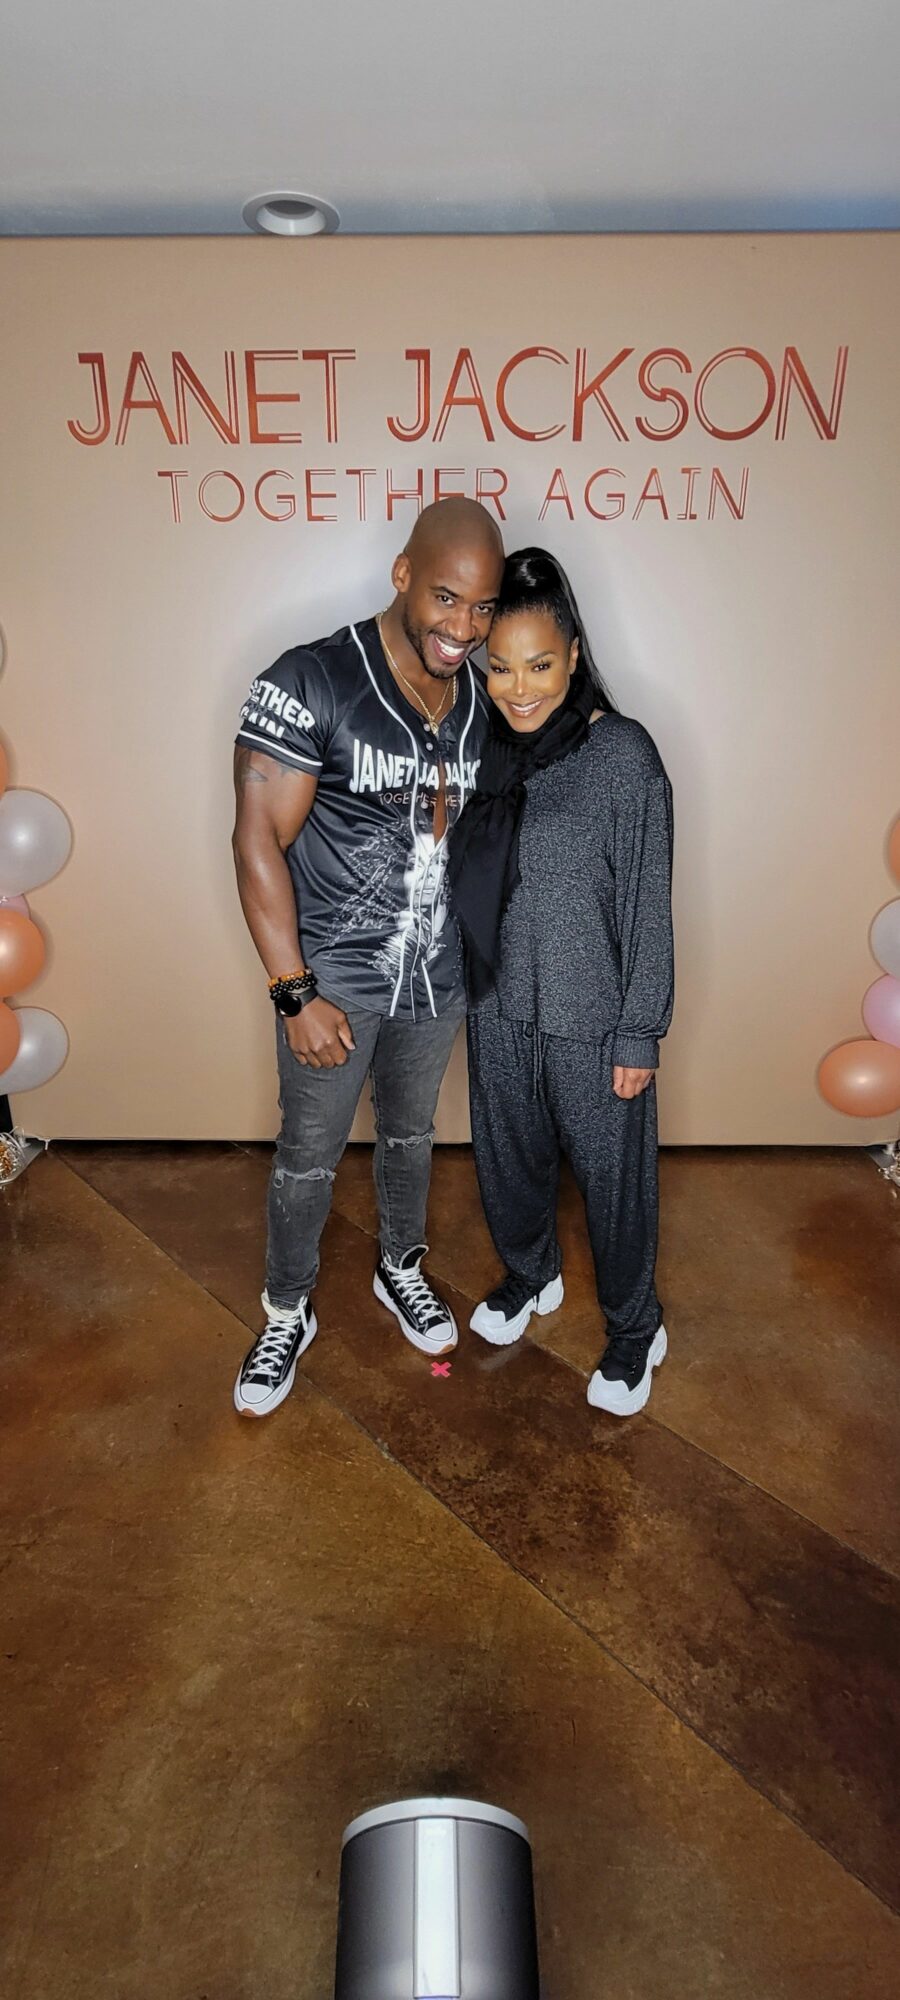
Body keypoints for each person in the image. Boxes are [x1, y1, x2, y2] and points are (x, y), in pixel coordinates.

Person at [231, 497, 504, 1417]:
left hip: (435, 973)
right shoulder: (312, 679)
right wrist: (293, 992)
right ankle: (286, 1308)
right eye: (444, 598)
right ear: (401, 575)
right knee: (308, 1155)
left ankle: (400, 1266)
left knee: (412, 1135)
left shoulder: (479, 700)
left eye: (482, 606)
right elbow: (257, 839)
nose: (462, 627)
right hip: (335, 976)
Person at [448, 548, 674, 1417]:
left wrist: (638, 1030)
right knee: (508, 1167)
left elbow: (648, 903)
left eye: (539, 664)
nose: (518, 687)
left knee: (616, 1192)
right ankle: (531, 1275)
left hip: (593, 1015)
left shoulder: (623, 755)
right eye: (498, 666)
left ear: (574, 654)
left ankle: (633, 1328)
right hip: (499, 1005)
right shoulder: (481, 754)